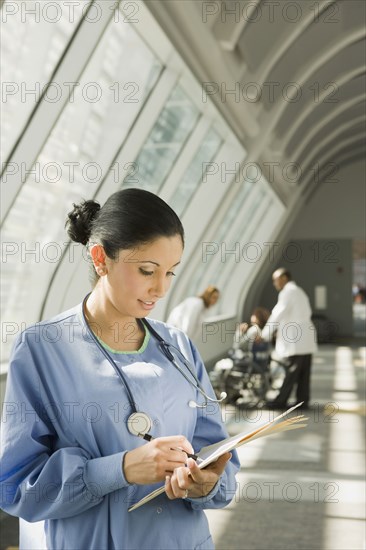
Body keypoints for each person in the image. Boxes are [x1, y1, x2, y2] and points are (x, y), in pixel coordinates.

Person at [0, 189, 239, 550]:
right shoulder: (42, 350)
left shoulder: (179, 347)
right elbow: (15, 486)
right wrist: (121, 469)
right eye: (147, 270)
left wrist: (205, 485)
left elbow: (222, 461)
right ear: (100, 258)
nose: (160, 288)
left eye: (171, 273)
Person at [261, 267, 318, 409]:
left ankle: (280, 402)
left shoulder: (288, 292)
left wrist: (264, 334)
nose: (274, 283)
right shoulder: (299, 291)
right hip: (305, 339)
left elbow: (277, 314)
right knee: (303, 374)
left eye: (276, 280)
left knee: (291, 373)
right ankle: (302, 401)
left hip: (296, 340)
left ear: (284, 278)